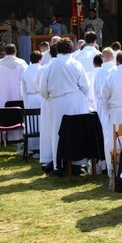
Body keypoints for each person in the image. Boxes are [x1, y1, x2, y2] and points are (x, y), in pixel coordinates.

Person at [37, 37, 90, 173]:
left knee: (57, 134)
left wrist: (50, 96)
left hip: (56, 103)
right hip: (74, 102)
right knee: (75, 132)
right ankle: (77, 164)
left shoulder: (50, 66)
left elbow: (43, 88)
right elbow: (85, 85)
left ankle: (58, 164)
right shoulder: (76, 64)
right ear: (71, 49)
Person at [99, 50, 122, 180]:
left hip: (116, 112)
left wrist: (108, 111)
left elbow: (104, 97)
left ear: (117, 61)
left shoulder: (112, 75)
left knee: (113, 141)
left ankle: (114, 170)